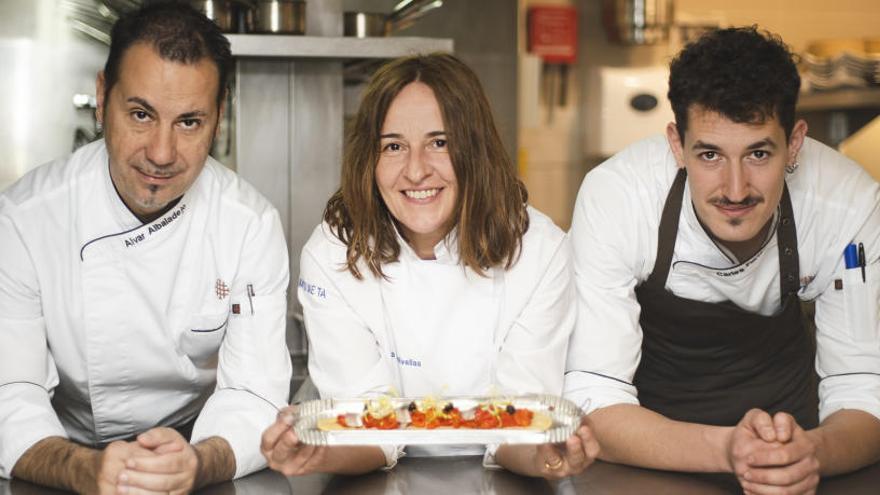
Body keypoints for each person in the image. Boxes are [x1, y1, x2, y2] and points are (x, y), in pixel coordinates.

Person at [564, 26, 880, 494]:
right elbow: (592, 395)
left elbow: (862, 385)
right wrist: (728, 449)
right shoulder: (617, 196)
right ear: (677, 144)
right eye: (709, 154)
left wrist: (810, 453)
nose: (735, 189)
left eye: (758, 153)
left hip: (796, 452)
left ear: (794, 143)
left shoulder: (848, 204)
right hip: (646, 457)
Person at [260, 53, 599, 479]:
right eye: (394, 146)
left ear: (474, 151)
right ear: (370, 158)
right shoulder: (333, 254)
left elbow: (522, 423)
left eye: (440, 142)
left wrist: (550, 457)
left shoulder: (538, 251)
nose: (416, 170)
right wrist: (316, 453)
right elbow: (365, 425)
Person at [0, 2, 291, 493]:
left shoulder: (250, 225)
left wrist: (197, 463)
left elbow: (252, 394)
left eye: (189, 122)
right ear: (101, 96)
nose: (161, 153)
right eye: (140, 114)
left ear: (218, 119)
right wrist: (81, 469)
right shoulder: (25, 219)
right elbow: (11, 391)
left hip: (197, 448)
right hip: (58, 452)